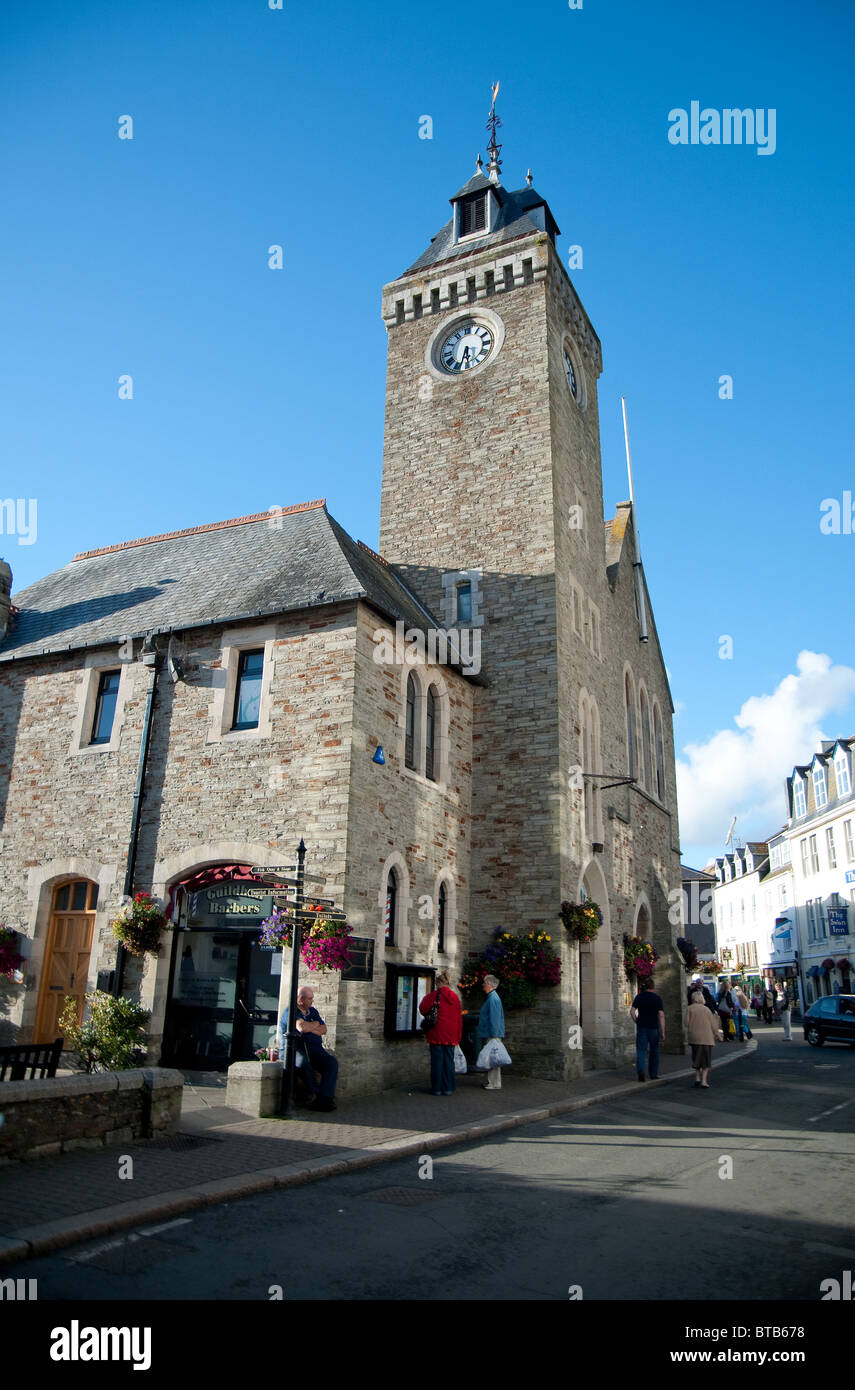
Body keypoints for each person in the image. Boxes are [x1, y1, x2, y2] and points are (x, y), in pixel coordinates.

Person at [279, 985, 338, 1111]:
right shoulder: (291, 1012)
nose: (312, 1001)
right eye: (310, 999)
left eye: (312, 998)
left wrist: (311, 1026)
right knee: (302, 1063)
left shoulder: (313, 1011)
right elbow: (302, 1028)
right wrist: (315, 1025)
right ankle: (315, 1094)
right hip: (294, 1050)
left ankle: (325, 1098)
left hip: (314, 1049)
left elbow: (324, 1029)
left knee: (331, 1062)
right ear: (300, 999)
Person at [418, 970, 463, 1096]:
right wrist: (458, 1036)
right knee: (449, 1062)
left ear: (438, 983)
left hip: (436, 1034)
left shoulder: (433, 996)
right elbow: (459, 1018)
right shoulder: (455, 998)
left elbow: (422, 1009)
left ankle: (437, 1089)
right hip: (451, 1035)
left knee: (437, 1062)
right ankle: (448, 1088)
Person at [630, 977, 665, 1081]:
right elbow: (661, 1015)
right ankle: (653, 1074)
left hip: (642, 1026)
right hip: (653, 1027)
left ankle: (641, 1071)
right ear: (653, 987)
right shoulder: (657, 998)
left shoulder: (639, 997)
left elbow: (632, 1011)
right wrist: (663, 1031)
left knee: (641, 1050)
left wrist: (636, 1020)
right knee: (654, 1051)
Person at [687, 989, 722, 1088]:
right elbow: (713, 1025)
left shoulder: (689, 1009)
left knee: (696, 1058)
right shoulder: (706, 1009)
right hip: (706, 1038)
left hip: (694, 1037)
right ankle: (704, 1081)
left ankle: (697, 1078)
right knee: (706, 1061)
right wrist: (718, 1036)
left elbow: (686, 1023)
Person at [477, 973, 506, 1090]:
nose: (483, 985)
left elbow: (494, 1017)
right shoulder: (493, 997)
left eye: (484, 982)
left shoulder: (493, 998)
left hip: (492, 1033)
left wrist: (494, 1034)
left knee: (492, 1058)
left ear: (489, 984)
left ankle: (493, 1083)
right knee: (494, 1057)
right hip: (492, 1032)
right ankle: (494, 1082)